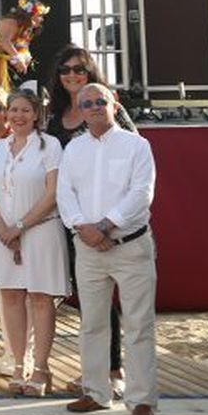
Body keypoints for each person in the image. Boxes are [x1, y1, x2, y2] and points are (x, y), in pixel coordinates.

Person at [58, 83, 159, 415]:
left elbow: (141, 193)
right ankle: (96, 392)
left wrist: (105, 224)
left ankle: (142, 399)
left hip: (130, 246)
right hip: (88, 249)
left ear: (113, 105)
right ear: (80, 110)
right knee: (92, 323)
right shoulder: (73, 149)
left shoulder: (137, 145)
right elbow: (65, 194)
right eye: (87, 103)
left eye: (101, 101)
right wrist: (83, 228)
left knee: (139, 324)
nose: (95, 107)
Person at [47, 43, 134, 396]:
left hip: (111, 223)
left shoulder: (108, 107)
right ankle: (95, 373)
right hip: (72, 222)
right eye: (65, 69)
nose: (71, 75)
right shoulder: (53, 118)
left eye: (79, 69)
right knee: (89, 300)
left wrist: (107, 224)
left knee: (112, 301)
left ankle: (114, 369)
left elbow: (133, 155)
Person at [0, 88, 67, 396]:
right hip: (2, 235)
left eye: (25, 111)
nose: (18, 116)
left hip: (40, 232)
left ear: (36, 115)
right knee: (10, 297)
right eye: (13, 110)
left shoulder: (50, 146)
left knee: (41, 299)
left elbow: (51, 193)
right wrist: (3, 229)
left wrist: (19, 227)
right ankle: (20, 364)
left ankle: (42, 368)